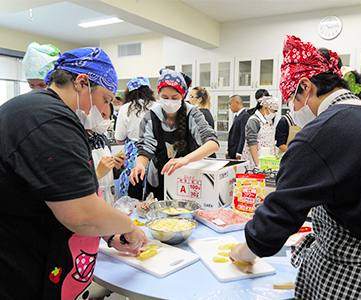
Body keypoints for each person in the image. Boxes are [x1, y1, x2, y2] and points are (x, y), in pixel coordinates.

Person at [230, 35, 361, 299]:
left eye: (293, 101)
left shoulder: (320, 133)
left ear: (305, 86)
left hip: (354, 276)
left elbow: (280, 213)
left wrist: (247, 248)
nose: (294, 111)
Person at [0, 47, 148, 300]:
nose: (106, 112)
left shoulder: (34, 109)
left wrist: (109, 233)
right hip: (20, 265)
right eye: (106, 99)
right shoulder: (50, 120)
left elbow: (62, 190)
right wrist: (128, 227)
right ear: (81, 83)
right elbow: (81, 214)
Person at [129, 68, 219, 200]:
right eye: (164, 97)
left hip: (188, 179)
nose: (169, 101)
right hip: (158, 178)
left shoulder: (192, 114)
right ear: (159, 95)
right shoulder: (151, 117)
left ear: (182, 96)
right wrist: (141, 165)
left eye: (174, 97)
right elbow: (145, 149)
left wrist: (185, 160)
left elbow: (213, 144)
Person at [115, 77, 156, 199]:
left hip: (133, 152)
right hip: (153, 151)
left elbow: (119, 137)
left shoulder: (126, 108)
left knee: (133, 191)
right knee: (153, 190)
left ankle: (134, 216)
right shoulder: (157, 106)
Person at [242, 90, 279, 169]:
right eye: (273, 111)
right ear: (265, 108)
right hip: (255, 162)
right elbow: (252, 143)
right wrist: (257, 164)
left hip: (267, 162)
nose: (274, 114)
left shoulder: (268, 121)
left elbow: (272, 141)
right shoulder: (254, 121)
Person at [189, 86, 217, 158]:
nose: (189, 99)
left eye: (191, 96)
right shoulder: (206, 112)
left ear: (199, 100)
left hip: (204, 156)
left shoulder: (200, 114)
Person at [225, 95, 250, 159]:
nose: (230, 107)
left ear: (237, 103)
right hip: (232, 152)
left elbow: (243, 135)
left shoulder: (244, 116)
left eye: (231, 104)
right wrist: (228, 150)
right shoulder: (238, 116)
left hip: (237, 153)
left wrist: (239, 152)